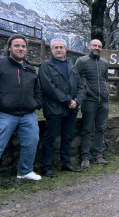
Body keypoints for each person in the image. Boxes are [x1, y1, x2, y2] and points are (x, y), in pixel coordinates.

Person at [0, 34, 42, 196]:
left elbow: (38, 90)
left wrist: (36, 104)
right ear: (9, 48)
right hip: (2, 114)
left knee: (31, 142)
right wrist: (1, 102)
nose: (21, 49)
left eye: (23, 46)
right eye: (17, 46)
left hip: (27, 115)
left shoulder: (30, 68)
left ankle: (25, 171)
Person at [38, 39, 85, 178]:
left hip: (71, 109)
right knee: (49, 139)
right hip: (54, 109)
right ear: (51, 50)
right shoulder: (46, 66)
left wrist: (77, 101)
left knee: (67, 138)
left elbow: (81, 87)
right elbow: (49, 88)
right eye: (55, 47)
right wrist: (67, 100)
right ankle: (45, 168)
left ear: (66, 49)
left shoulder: (71, 67)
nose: (59, 49)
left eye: (61, 47)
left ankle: (66, 163)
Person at [75, 39, 109, 168]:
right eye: (94, 45)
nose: (97, 48)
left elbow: (105, 80)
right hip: (89, 100)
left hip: (103, 101)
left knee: (101, 128)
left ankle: (98, 155)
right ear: (89, 46)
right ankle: (85, 157)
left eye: (99, 46)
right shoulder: (82, 61)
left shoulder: (104, 63)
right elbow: (76, 79)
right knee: (87, 129)